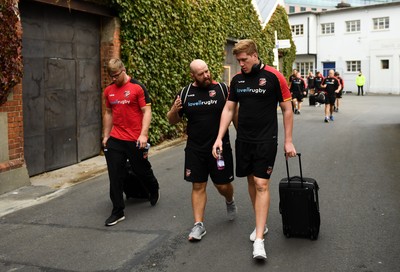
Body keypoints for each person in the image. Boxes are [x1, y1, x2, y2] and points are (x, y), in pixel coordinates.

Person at [212, 39, 296, 260]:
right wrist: (219, 137)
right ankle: (262, 223)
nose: (241, 64)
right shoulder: (237, 80)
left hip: (266, 139)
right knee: (251, 181)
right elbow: (229, 108)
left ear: (254, 55)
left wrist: (288, 140)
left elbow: (287, 109)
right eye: (238, 60)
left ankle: (259, 239)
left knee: (261, 183)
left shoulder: (274, 76)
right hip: (244, 140)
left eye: (243, 59)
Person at [167, 59, 237, 242]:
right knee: (198, 186)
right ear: (193, 76)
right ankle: (199, 225)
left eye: (207, 71)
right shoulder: (185, 93)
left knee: (222, 185)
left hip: (220, 147)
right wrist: (174, 110)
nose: (206, 75)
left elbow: (233, 113)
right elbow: (172, 120)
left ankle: (229, 200)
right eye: (201, 73)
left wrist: (242, 137)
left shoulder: (222, 89)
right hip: (195, 148)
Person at [103, 58, 160, 227]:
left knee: (141, 169)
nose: (113, 79)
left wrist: (143, 134)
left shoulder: (137, 87)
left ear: (123, 70)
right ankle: (117, 210)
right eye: (110, 76)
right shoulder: (108, 91)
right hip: (116, 138)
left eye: (115, 75)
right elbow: (108, 112)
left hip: (135, 139)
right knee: (114, 174)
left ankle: (153, 187)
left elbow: (146, 111)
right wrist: (106, 135)